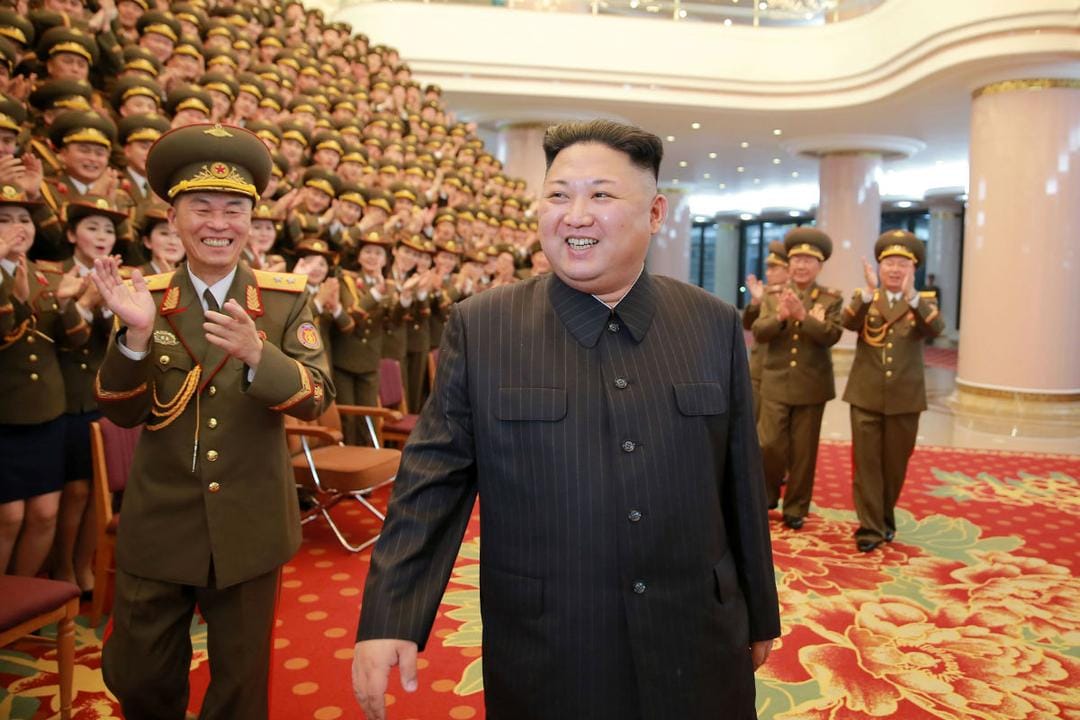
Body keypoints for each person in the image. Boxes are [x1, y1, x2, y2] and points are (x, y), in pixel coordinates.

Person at [353, 120, 780, 720]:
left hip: (697, 634)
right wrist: (390, 615)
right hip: (548, 644)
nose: (575, 215)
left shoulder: (712, 323)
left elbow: (740, 483)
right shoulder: (484, 326)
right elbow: (431, 479)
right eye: (558, 195)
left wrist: (760, 612)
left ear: (655, 213)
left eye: (601, 195)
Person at [89, 122, 333, 720]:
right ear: (172, 218)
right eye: (201, 207)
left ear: (251, 220)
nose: (218, 223)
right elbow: (121, 411)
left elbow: (316, 398)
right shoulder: (144, 297)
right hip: (160, 518)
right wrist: (135, 338)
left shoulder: (284, 299)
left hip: (249, 520)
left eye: (233, 209)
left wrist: (259, 357)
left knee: (240, 688)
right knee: (139, 677)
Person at [842, 230, 944, 551]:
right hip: (866, 395)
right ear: (879, 268)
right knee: (866, 465)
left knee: (894, 465)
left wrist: (913, 298)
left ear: (913, 269)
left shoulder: (923, 303)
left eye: (902, 264)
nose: (895, 270)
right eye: (889, 264)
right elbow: (847, 323)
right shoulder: (867, 298)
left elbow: (936, 329)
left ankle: (884, 517)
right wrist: (867, 294)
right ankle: (870, 528)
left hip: (905, 398)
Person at [752, 227, 842, 529]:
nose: (802, 265)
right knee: (768, 444)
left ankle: (796, 507)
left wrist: (803, 317)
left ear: (820, 266)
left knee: (804, 452)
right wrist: (780, 316)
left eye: (809, 260)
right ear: (789, 263)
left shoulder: (830, 299)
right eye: (797, 259)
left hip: (812, 385)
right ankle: (766, 494)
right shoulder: (773, 295)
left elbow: (832, 335)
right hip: (775, 381)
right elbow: (759, 332)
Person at [742, 239, 788, 420]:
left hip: (781, 368)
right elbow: (748, 325)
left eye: (774, 268)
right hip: (759, 365)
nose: (768, 273)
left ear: (788, 270)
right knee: (753, 417)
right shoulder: (764, 292)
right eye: (768, 268)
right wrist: (755, 302)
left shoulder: (793, 295)